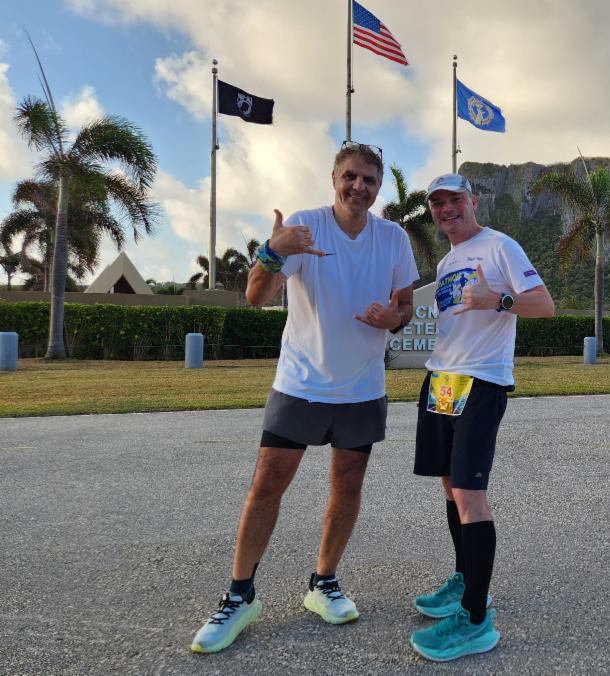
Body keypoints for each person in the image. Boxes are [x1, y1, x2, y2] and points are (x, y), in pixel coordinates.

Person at [190, 144, 419, 654]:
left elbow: (404, 304)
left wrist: (394, 320)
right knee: (267, 484)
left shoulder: (393, 238)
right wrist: (274, 250)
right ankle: (239, 595)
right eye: (350, 177)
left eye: (369, 180)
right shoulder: (304, 227)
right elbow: (257, 297)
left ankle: (324, 582)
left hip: (362, 388)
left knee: (347, 486)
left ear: (378, 188)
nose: (359, 187)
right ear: (334, 177)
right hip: (301, 382)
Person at [408, 173, 555, 662]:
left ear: (472, 202)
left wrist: (499, 299)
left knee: (471, 493)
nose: (446, 208)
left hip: (481, 382)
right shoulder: (449, 258)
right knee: (450, 486)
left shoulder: (499, 247)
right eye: (438, 203)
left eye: (454, 200)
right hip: (443, 383)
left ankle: (475, 618)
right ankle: (464, 581)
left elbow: (545, 304)